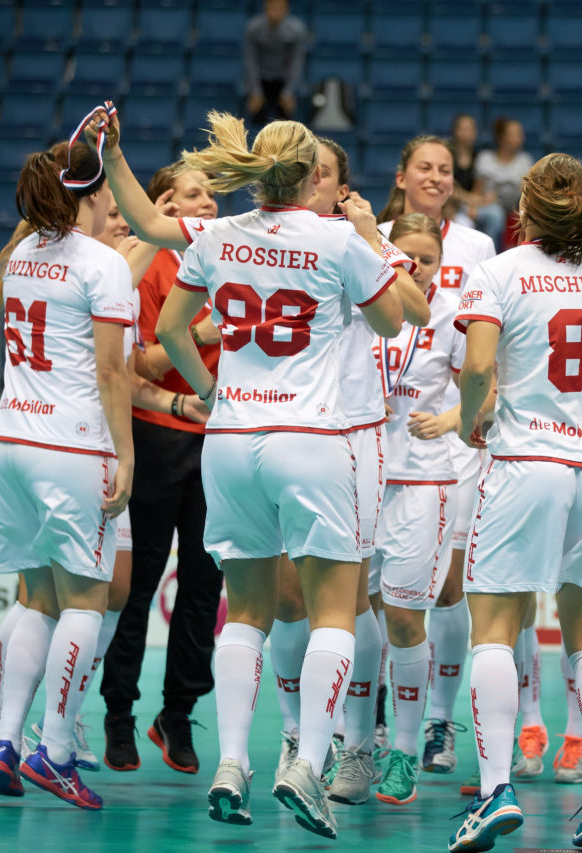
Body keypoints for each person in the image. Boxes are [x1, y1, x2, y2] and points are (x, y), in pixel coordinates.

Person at [148, 109, 404, 837]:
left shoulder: (222, 235)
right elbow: (389, 323)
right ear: (310, 175)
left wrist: (208, 389)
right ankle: (309, 763)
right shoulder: (334, 237)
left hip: (231, 437)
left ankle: (233, 761)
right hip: (313, 437)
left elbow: (170, 330)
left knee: (248, 612)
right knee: (332, 611)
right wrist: (368, 247)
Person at [449, 152, 582, 852]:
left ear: (524, 210)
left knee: (496, 630)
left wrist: (478, 415)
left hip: (525, 460)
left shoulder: (497, 272)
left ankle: (497, 788)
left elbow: (477, 366)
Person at [0, 141, 134, 811]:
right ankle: (59, 751)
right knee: (84, 602)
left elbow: (24, 240)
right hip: (70, 447)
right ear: (96, 191)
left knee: (36, 599)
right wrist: (125, 455)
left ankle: (7, 742)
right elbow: (109, 372)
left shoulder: (18, 256)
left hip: (9, 439)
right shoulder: (103, 263)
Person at [278, 137, 429, 805]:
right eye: (304, 172)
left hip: (357, 433)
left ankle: (358, 747)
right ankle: (303, 738)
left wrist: (374, 238)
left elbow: (416, 314)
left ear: (341, 188)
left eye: (326, 174)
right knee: (292, 599)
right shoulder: (265, 236)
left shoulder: (353, 241)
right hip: (286, 430)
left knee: (355, 596)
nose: (312, 181)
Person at [379, 134, 497, 777]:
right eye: (422, 165)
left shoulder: (477, 250)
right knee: (370, 603)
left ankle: (437, 721)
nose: (434, 175)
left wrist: (458, 419)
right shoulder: (369, 251)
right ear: (401, 176)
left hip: (448, 454)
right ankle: (370, 728)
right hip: (370, 459)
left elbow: (484, 364)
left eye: (445, 168)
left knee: (446, 589)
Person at [99, 160, 222, 776]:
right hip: (158, 437)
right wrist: (204, 331)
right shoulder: (148, 265)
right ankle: (118, 713)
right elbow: (142, 364)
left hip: (221, 442)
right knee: (140, 584)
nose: (208, 205)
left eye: (212, 195)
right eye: (195, 195)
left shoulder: (231, 259)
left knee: (204, 586)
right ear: (165, 203)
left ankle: (177, 715)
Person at [367, 212, 462, 806]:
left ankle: (404, 751)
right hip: (357, 473)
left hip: (424, 478)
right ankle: (355, 746)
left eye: (427, 259)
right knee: (354, 617)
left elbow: (488, 389)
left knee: (404, 619)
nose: (417, 268)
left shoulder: (452, 312)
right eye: (406, 256)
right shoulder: (364, 300)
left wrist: (448, 420)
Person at [244, 0, 310, 125]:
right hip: (261, 79)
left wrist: (289, 91)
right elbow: (251, 60)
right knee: (256, 122)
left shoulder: (297, 30)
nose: (274, 13)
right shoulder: (253, 28)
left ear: (286, 10)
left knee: (285, 127)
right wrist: (255, 91)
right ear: (265, 9)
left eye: (279, 9)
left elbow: (297, 62)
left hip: (284, 79)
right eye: (271, 9)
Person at [473, 118, 532, 250]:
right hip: (490, 206)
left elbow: (528, 192)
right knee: (495, 214)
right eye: (514, 134)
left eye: (520, 134)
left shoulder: (524, 161)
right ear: (502, 137)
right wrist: (477, 203)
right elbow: (476, 192)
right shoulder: (485, 159)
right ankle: (490, 254)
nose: (520, 138)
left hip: (515, 206)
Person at [450, 113, 506, 245]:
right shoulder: (447, 156)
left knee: (496, 214)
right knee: (464, 221)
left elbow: (479, 184)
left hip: (473, 203)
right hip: (451, 204)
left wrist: (474, 204)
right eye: (464, 129)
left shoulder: (480, 157)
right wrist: (472, 200)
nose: (468, 133)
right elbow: (450, 188)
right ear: (455, 131)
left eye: (471, 129)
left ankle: (490, 252)